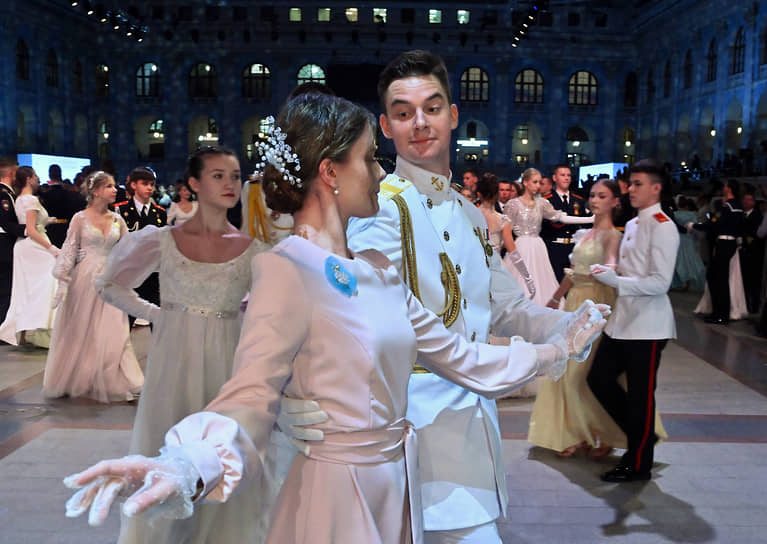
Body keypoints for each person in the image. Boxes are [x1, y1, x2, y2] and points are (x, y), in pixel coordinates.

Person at [63, 92, 608, 544]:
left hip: (397, 490)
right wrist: (189, 464)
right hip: (333, 500)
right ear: (330, 172)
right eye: (369, 158)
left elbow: (462, 359)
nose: (380, 171)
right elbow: (249, 394)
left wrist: (557, 346)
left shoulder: (378, 270)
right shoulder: (287, 268)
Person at [340, 50, 605, 543]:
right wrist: (545, 354)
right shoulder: (381, 211)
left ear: (453, 114)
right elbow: (381, 330)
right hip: (412, 435)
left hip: (473, 427)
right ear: (386, 127)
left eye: (432, 107)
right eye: (403, 112)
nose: (420, 123)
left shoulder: (466, 211)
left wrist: (567, 324)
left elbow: (506, 306)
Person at [96, 146, 268, 543]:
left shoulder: (253, 250)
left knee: (222, 452)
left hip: (227, 362)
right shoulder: (163, 240)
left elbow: (271, 312)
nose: (230, 184)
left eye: (235, 176)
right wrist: (157, 314)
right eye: (218, 175)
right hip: (172, 363)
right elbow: (108, 283)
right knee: (165, 444)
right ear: (193, 183)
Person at [530, 179, 667, 457]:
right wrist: (555, 298)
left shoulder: (613, 236)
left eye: (602, 196)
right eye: (592, 195)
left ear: (615, 202)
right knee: (568, 369)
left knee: (586, 372)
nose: (594, 200)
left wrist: (605, 271)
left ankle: (605, 433)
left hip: (598, 302)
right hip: (575, 303)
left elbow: (612, 267)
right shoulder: (585, 234)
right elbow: (572, 271)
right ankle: (577, 433)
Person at [588, 159, 680, 482]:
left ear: (656, 188)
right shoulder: (633, 223)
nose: (631, 189)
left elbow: (660, 283)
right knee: (598, 379)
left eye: (639, 184)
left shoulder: (662, 225)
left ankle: (638, 464)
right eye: (631, 183)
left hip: (649, 324)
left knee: (641, 396)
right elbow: (632, 270)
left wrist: (616, 281)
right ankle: (642, 437)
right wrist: (610, 272)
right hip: (624, 320)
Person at [42, 171, 143, 402]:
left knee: (116, 329)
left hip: (111, 280)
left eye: (114, 186)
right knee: (83, 330)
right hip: (85, 279)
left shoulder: (118, 219)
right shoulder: (79, 218)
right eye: (109, 186)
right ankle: (82, 377)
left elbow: (129, 248)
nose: (115, 189)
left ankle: (126, 379)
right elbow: (69, 249)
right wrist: (62, 279)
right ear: (96, 191)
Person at [504, 168, 593, 307]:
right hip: (520, 246)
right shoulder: (512, 204)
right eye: (534, 182)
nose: (538, 186)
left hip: (538, 246)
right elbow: (505, 231)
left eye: (540, 182)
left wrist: (589, 219)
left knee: (542, 281)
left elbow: (561, 218)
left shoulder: (542, 203)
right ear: (525, 182)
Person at [0, 166, 59, 348]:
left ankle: (28, 328)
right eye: (35, 176)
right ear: (28, 179)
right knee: (49, 284)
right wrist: (51, 248)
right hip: (35, 245)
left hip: (23, 246)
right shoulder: (31, 200)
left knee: (28, 289)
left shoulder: (19, 199)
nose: (38, 179)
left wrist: (46, 221)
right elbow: (31, 229)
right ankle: (44, 329)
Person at [114, 167, 167, 328]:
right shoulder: (120, 210)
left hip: (153, 273)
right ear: (134, 185)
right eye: (145, 184)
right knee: (124, 322)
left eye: (151, 184)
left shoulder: (160, 213)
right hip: (129, 273)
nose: (149, 188)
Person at [689, 180, 746, 324]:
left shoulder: (727, 207)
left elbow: (714, 223)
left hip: (724, 243)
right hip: (731, 243)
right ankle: (720, 313)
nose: (724, 188)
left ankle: (720, 314)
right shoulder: (738, 206)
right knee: (719, 278)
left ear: (729, 189)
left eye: (726, 186)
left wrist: (694, 225)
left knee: (717, 279)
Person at [540, 164, 590, 283]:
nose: (566, 178)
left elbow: (585, 225)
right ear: (555, 178)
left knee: (574, 283)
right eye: (562, 175)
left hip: (574, 248)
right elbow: (546, 224)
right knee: (555, 282)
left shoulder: (578, 200)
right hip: (554, 248)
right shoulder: (547, 200)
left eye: (568, 175)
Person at [0, 158, 25, 324]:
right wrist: (27, 230)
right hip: (4, 245)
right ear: (11, 174)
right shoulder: (3, 194)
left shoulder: (8, 193)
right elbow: (5, 222)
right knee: (5, 288)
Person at [671, 196, 705, 291]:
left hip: (677, 239)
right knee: (689, 261)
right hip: (688, 239)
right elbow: (694, 227)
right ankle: (688, 283)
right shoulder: (692, 215)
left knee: (678, 261)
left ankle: (679, 282)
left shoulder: (674, 214)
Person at [740, 193, 764, 314]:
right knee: (744, 280)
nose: (745, 202)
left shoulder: (758, 216)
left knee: (754, 281)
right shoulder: (741, 215)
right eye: (744, 199)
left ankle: (754, 306)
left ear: (753, 202)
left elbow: (757, 235)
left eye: (748, 200)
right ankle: (745, 305)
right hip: (742, 252)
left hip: (754, 254)